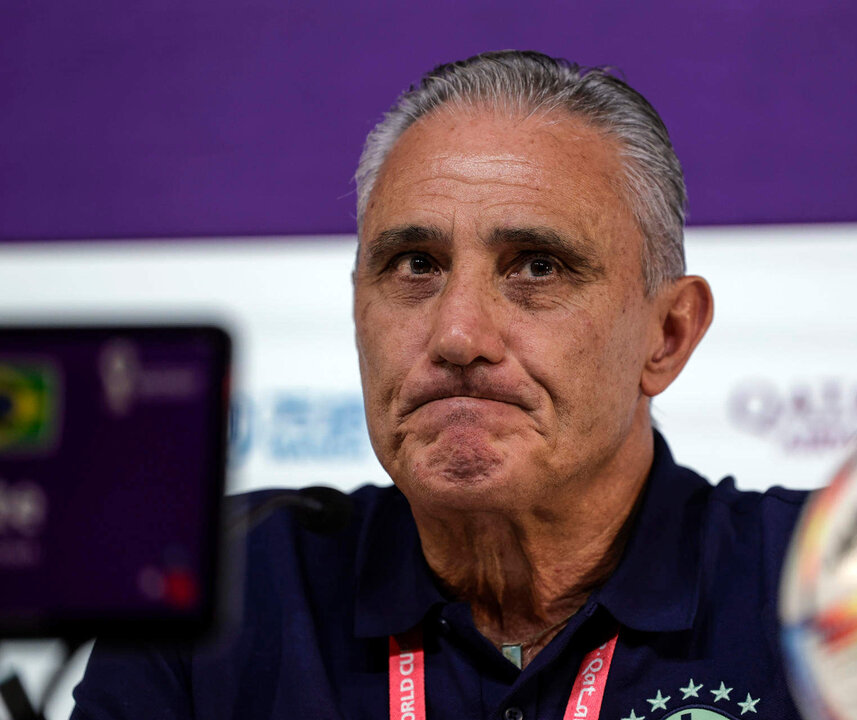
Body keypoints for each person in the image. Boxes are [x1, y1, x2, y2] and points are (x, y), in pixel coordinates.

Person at [72, 51, 809, 720]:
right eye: (415, 265)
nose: (458, 336)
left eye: (537, 267)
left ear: (668, 334)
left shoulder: (836, 586)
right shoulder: (216, 590)